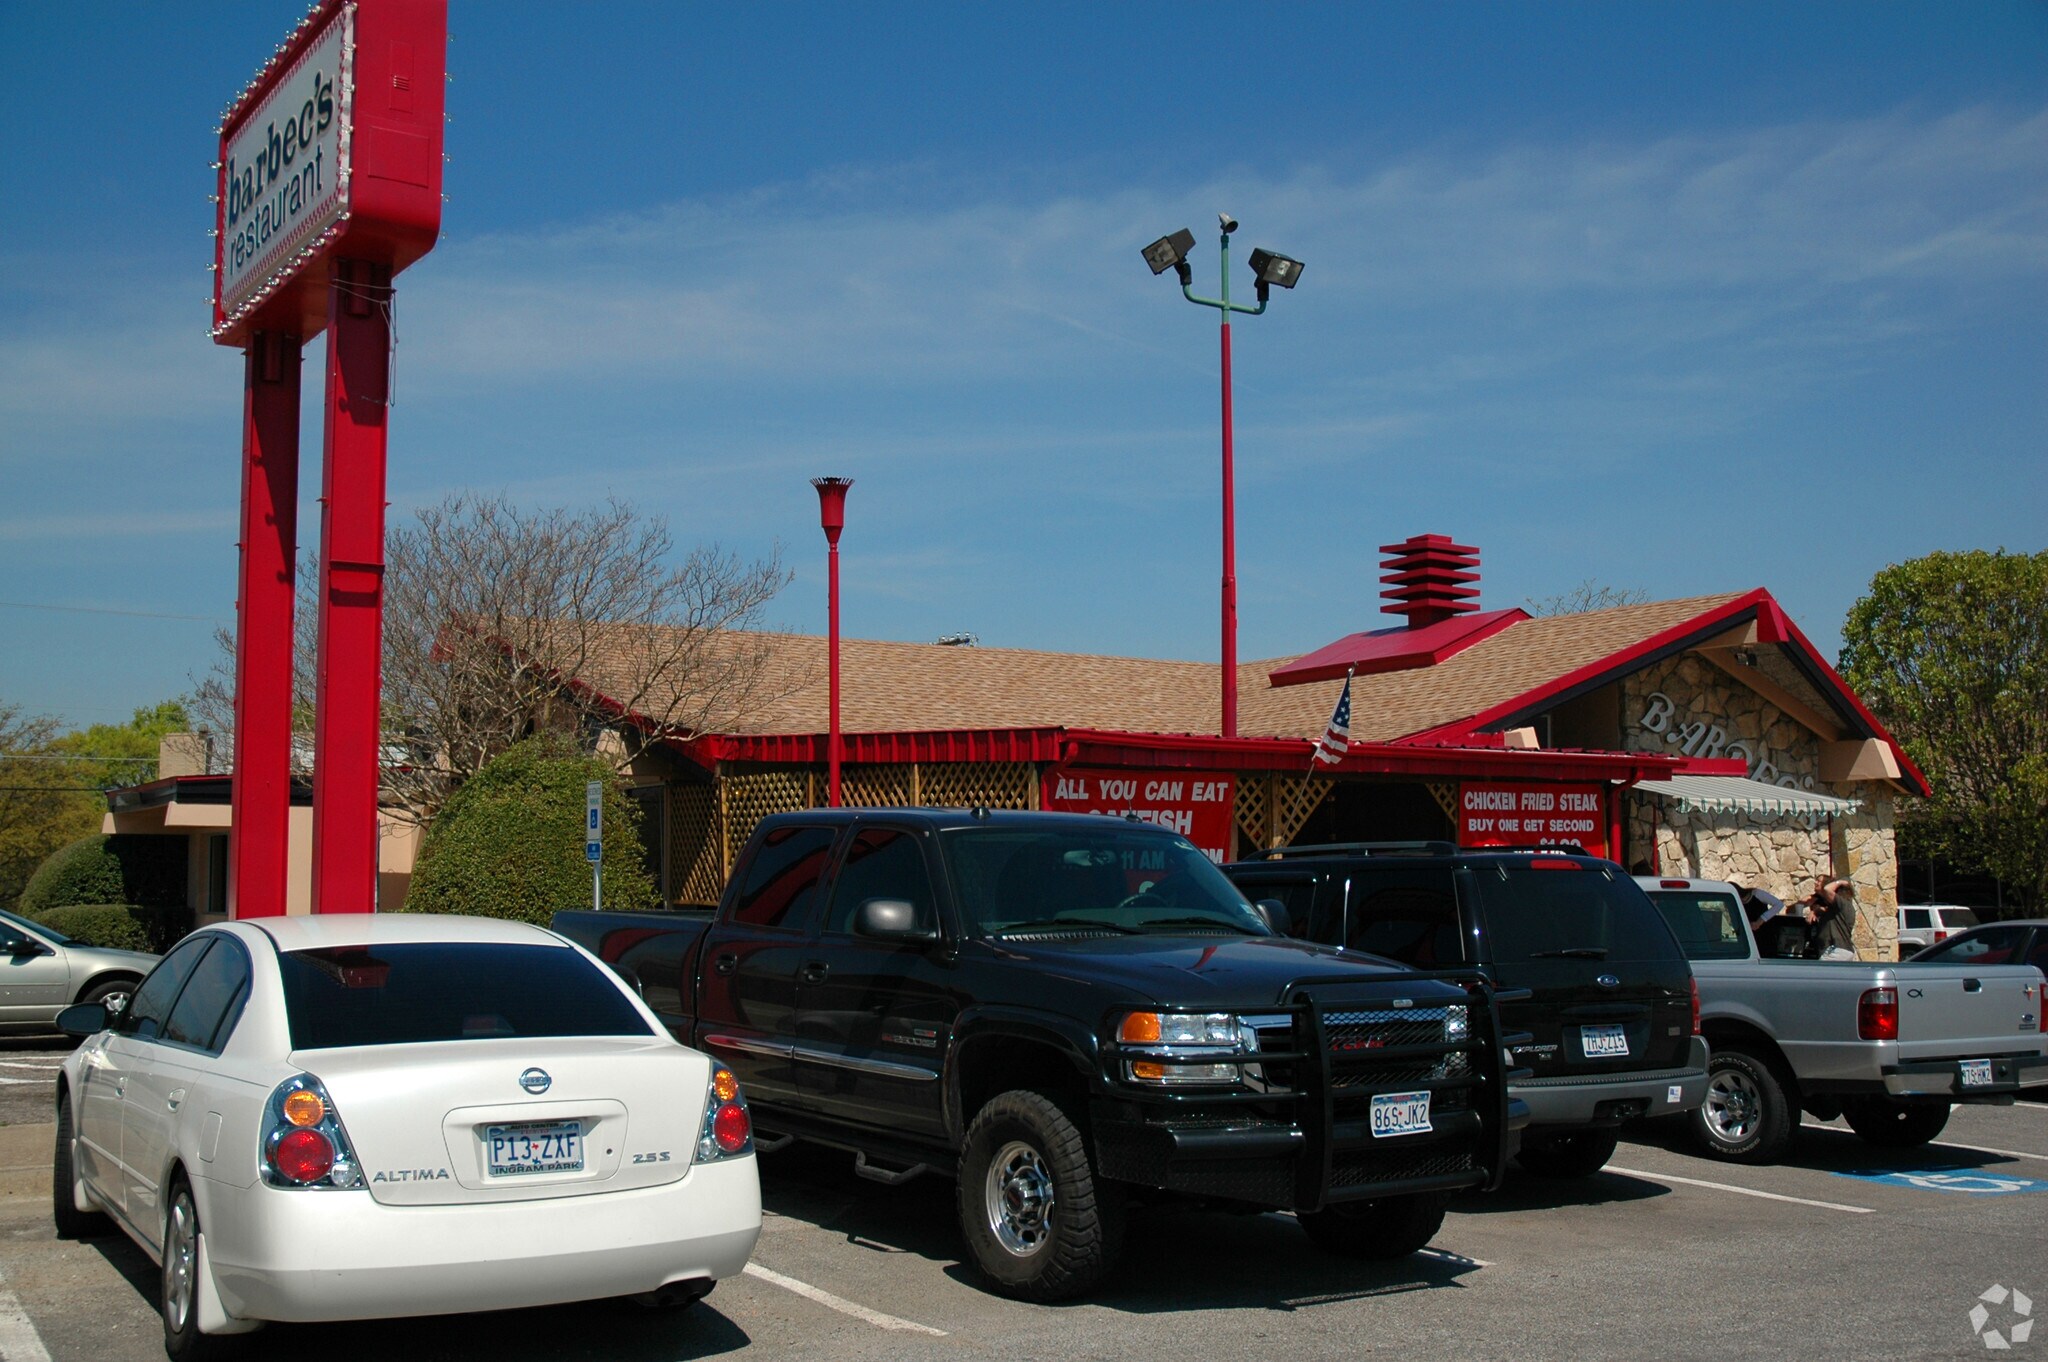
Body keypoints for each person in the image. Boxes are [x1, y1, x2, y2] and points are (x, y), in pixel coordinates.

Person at [1801, 877, 1858, 960]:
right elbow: (1825, 910)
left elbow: (1827, 889)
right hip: (1838, 950)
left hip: (1836, 950)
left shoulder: (1843, 903)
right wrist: (1815, 911)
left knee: (1819, 972)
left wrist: (1840, 881)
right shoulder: (1836, 908)